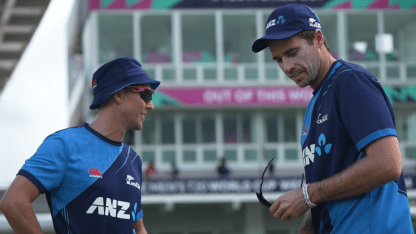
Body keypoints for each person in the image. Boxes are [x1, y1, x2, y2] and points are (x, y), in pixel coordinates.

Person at [252, 3, 413, 234]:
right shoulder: (314, 103)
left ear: (318, 39)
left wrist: (307, 195)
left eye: (292, 53)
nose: (287, 67)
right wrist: (308, 226)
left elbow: (388, 164)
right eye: (278, 59)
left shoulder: (350, 82)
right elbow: (328, 185)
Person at [0, 57, 160, 234]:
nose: (150, 105)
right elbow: (13, 202)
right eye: (146, 95)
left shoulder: (133, 159)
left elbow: (138, 227)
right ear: (119, 94)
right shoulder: (65, 145)